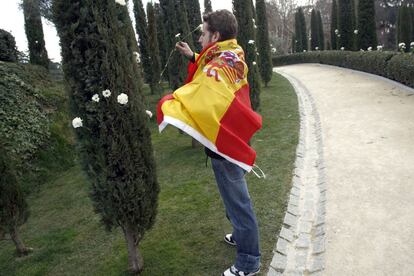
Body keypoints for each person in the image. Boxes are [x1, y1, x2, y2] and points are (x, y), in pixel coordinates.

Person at [159, 9, 261, 276]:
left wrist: (171, 104)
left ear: (215, 35)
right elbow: (209, 66)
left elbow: (207, 89)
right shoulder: (230, 53)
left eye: (204, 34)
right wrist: (192, 55)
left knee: (238, 203)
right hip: (230, 138)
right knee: (233, 200)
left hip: (226, 144)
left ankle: (249, 261)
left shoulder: (222, 62)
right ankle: (242, 236)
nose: (201, 38)